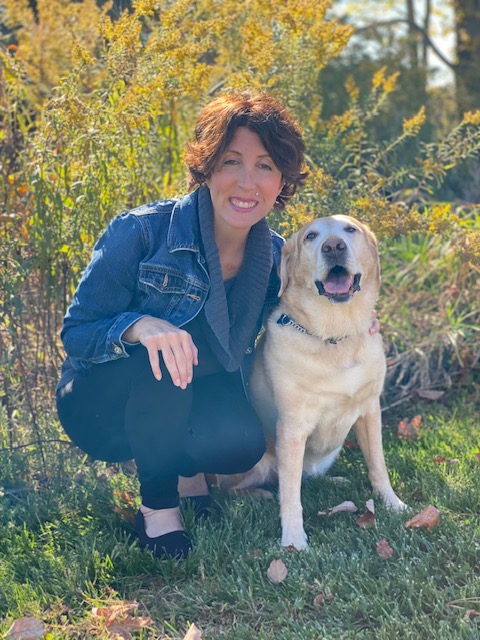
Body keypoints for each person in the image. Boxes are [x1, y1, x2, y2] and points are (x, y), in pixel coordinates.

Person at [56, 92, 308, 559]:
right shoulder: (144, 231)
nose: (246, 182)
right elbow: (77, 332)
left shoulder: (277, 258)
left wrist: (355, 331)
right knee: (165, 357)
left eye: (266, 166)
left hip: (188, 393)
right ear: (207, 166)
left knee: (240, 444)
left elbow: (301, 322)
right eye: (232, 161)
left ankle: (189, 474)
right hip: (101, 403)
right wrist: (139, 326)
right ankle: (157, 510)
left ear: (282, 182)